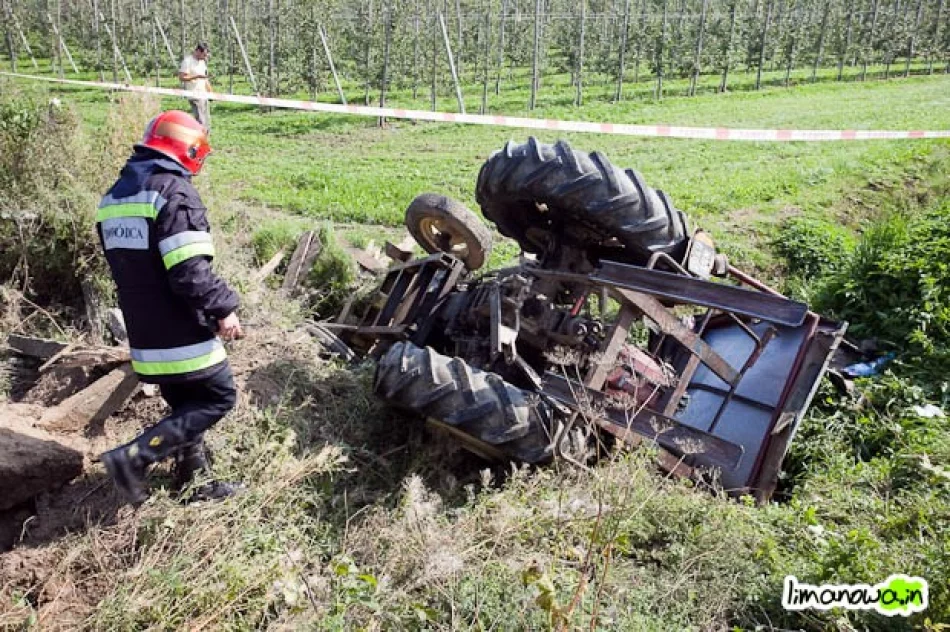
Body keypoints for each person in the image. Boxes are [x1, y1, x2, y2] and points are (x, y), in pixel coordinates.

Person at [96, 110, 243, 505]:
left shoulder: (115, 196)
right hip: (180, 329)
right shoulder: (172, 192)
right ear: (190, 151)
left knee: (184, 404)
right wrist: (224, 308)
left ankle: (195, 485)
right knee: (217, 397)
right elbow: (189, 273)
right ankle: (132, 459)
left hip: (144, 330)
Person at [178, 43, 212, 132]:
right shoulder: (187, 61)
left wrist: (210, 91)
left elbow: (205, 78)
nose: (205, 57)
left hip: (204, 95)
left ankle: (205, 141)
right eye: (203, 54)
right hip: (194, 95)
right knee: (200, 122)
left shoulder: (202, 62)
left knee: (207, 122)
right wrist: (196, 77)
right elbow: (182, 77)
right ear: (197, 51)